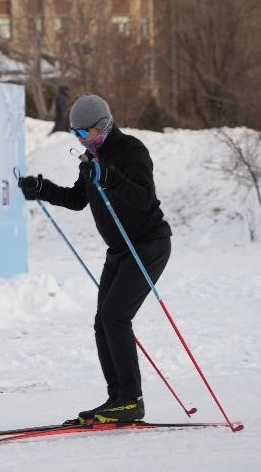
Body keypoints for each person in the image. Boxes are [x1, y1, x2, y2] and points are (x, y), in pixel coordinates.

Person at [18, 94, 172, 423]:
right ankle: (117, 398)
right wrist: (42, 189)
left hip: (147, 245)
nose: (79, 139)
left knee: (115, 316)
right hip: (119, 250)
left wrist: (111, 177)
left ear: (102, 126)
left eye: (83, 132)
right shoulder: (92, 159)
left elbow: (143, 199)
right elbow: (78, 199)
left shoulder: (131, 150)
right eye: (74, 133)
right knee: (103, 322)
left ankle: (131, 400)